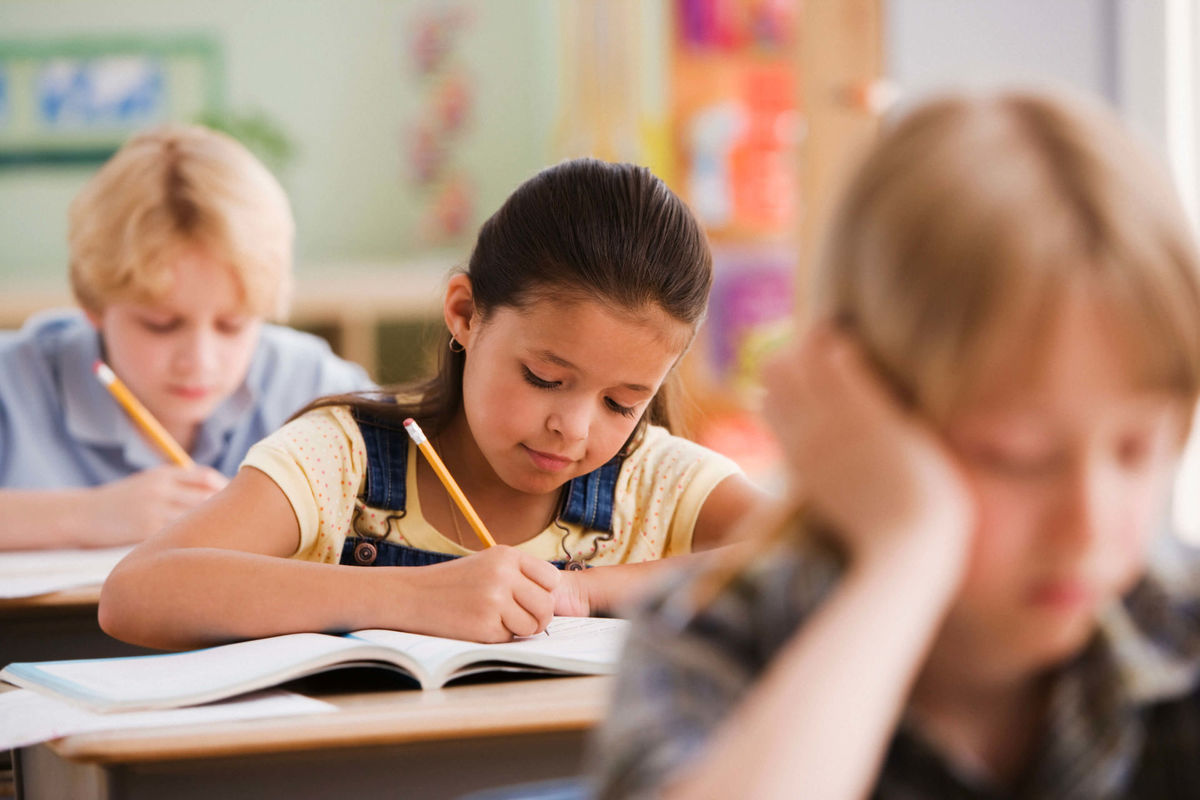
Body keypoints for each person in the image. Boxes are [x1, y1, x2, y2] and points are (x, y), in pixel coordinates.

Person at [591, 89, 1200, 799]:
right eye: (1016, 456)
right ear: (861, 413)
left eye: (1136, 450)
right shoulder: (712, 637)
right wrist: (912, 549)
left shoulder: (1177, 623)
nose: (1089, 527)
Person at [99, 158, 762, 649]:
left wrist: (581, 592)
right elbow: (137, 592)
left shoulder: (654, 480)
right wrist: (416, 596)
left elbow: (833, 558)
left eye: (623, 403)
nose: (573, 428)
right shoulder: (343, 458)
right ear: (466, 314)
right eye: (543, 377)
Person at [0, 123, 373, 551]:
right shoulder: (12, 387)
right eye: (160, 324)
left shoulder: (312, 386)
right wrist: (88, 515)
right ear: (94, 304)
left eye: (231, 325)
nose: (200, 361)